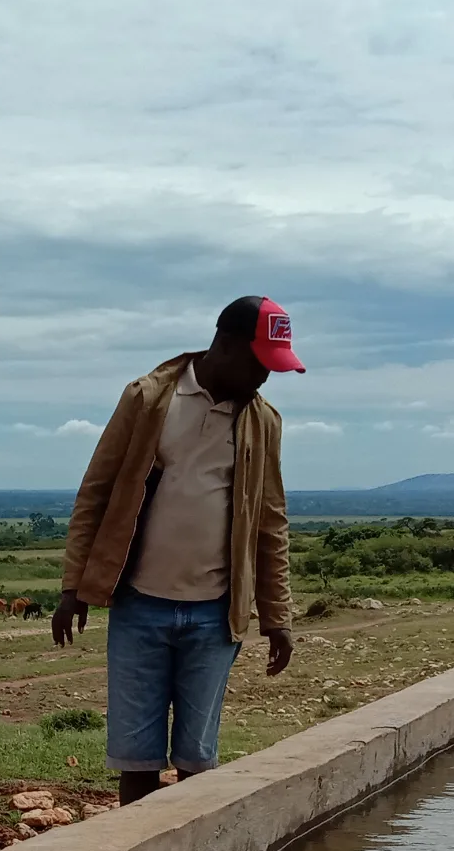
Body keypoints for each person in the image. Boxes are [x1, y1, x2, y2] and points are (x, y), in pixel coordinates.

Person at [51, 295, 298, 803]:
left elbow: (270, 523)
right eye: (259, 364)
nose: (263, 379)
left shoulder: (262, 421)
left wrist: (278, 616)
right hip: (139, 605)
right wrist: (74, 586)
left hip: (215, 615)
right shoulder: (148, 400)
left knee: (197, 764)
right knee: (136, 759)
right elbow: (96, 493)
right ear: (225, 345)